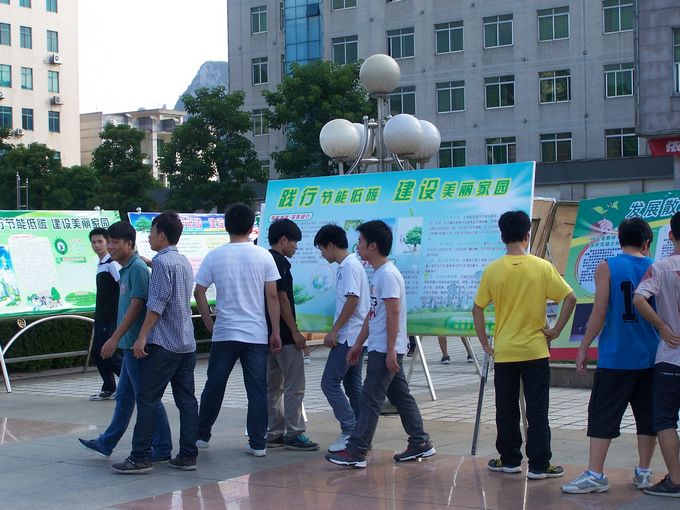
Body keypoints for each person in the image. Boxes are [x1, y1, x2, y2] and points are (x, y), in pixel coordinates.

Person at [472, 210, 576, 480]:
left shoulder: (492, 270)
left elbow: (477, 308)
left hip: (505, 351)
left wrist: (485, 344)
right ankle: (540, 464)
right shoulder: (541, 267)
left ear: (502, 237)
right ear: (527, 236)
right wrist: (555, 330)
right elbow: (570, 298)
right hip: (535, 350)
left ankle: (509, 460)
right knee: (537, 409)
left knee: (506, 408)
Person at [326, 220, 434, 468]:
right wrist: (358, 344)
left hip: (385, 350)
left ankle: (357, 451)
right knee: (400, 396)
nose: (358, 246)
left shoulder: (387, 275)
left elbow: (394, 313)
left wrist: (391, 350)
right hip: (382, 347)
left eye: (361, 242)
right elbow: (373, 314)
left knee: (370, 399)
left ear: (372, 246)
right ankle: (420, 441)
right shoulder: (380, 273)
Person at [561, 218, 658, 494]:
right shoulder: (655, 267)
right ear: (647, 242)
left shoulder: (607, 266)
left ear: (619, 240)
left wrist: (583, 347)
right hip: (651, 355)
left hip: (616, 356)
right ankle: (643, 471)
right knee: (647, 416)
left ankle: (595, 474)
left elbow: (600, 311)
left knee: (603, 414)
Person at [112, 212, 198, 474]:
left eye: (151, 232)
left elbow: (157, 303)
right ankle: (188, 455)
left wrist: (142, 337)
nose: (148, 237)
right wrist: (150, 262)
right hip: (186, 343)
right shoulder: (182, 260)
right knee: (187, 401)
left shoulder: (161, 263)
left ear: (161, 235)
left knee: (147, 399)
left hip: (165, 344)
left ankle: (140, 457)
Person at [77, 221, 172, 461]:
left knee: (147, 398)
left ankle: (162, 447)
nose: (109, 246)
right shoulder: (126, 268)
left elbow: (137, 305)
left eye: (114, 242)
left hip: (135, 346)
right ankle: (106, 442)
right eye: (108, 242)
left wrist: (115, 337)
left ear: (129, 244)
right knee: (125, 397)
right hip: (129, 345)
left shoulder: (137, 269)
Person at [194, 204, 282, 457]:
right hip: (255, 334)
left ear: (226, 226)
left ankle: (202, 435)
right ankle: (258, 443)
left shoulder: (214, 256)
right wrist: (275, 331)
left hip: (224, 332)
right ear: (251, 227)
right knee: (256, 389)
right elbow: (272, 296)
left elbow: (199, 292)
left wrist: (209, 323)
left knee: (214, 385)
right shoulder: (263, 256)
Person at [633, 211, 680, 498]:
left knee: (665, 420)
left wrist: (661, 326)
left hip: (670, 357)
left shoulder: (660, 268)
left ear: (671, 235)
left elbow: (639, 298)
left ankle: (676, 480)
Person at [314, 224, 370, 453]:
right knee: (353, 386)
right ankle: (361, 434)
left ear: (330, 245)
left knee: (329, 383)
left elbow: (352, 300)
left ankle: (349, 430)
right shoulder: (350, 265)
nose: (321, 254)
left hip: (348, 337)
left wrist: (334, 330)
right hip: (356, 336)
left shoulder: (349, 267)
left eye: (321, 249)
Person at [265, 219, 319, 451]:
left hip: (266, 334)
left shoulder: (264, 259)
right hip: (285, 336)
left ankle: (274, 432)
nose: (296, 247)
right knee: (294, 385)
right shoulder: (281, 263)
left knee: (272, 387)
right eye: (294, 242)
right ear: (284, 239)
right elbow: (282, 298)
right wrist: (294, 331)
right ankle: (295, 432)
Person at [88, 227, 122, 401]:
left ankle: (129, 382)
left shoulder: (112, 264)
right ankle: (109, 387)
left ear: (107, 242)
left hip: (111, 317)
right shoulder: (101, 264)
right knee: (98, 352)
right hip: (101, 316)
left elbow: (123, 286)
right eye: (93, 242)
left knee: (105, 352)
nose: (97, 245)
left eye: (100, 241)